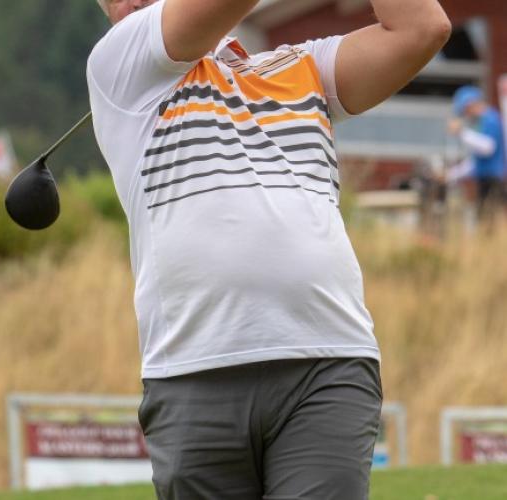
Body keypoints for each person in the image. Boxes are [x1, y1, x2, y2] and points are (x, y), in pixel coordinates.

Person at [88, 0, 450, 498]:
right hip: (194, 369)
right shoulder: (120, 62)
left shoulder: (303, 68)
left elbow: (422, 28)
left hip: (327, 358)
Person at [449, 85, 506, 225]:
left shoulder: (491, 119)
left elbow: (488, 147)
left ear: (471, 104)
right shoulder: (480, 122)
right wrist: (452, 174)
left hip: (492, 180)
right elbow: (475, 161)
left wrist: (461, 132)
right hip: (484, 178)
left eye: (465, 110)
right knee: (484, 220)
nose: (466, 114)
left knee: (489, 221)